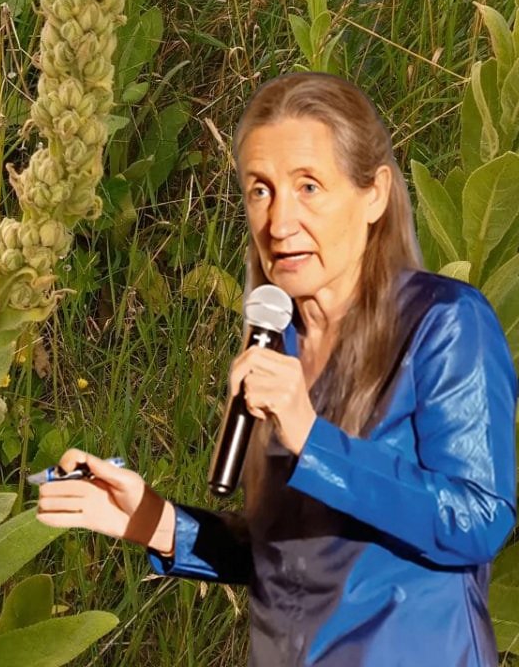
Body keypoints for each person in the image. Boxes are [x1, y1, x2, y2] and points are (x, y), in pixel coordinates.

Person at [36, 72, 518, 666]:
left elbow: (478, 520)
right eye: (260, 190)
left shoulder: (444, 323)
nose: (280, 222)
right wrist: (154, 521)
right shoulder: (277, 342)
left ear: (374, 194)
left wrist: (313, 439)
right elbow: (289, 555)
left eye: (308, 186)